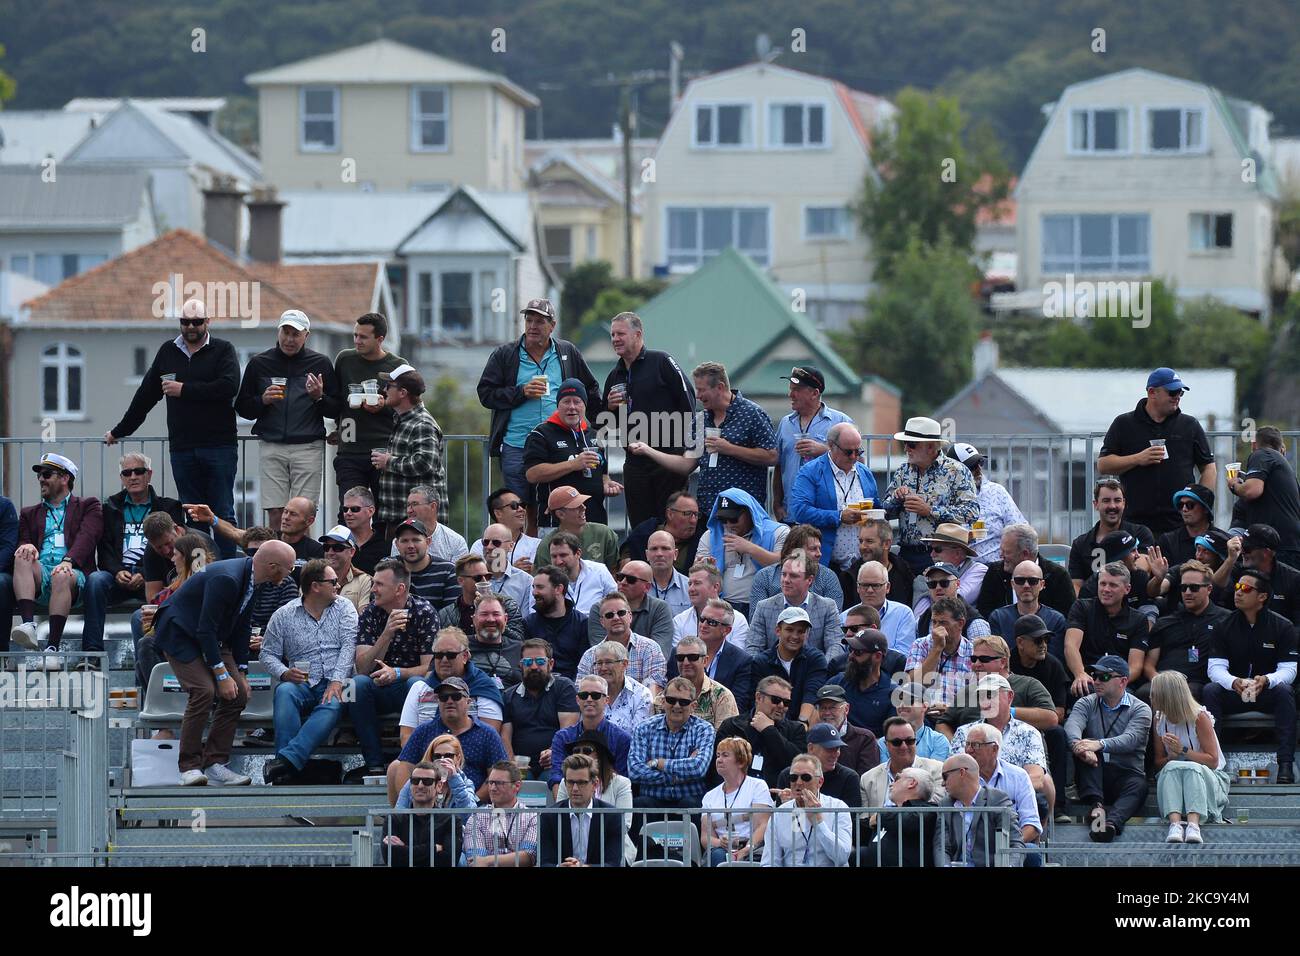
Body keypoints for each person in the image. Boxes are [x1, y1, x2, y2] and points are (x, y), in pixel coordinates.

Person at [105, 297, 242, 558]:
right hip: (183, 448)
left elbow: (229, 386)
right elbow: (146, 395)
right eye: (185, 321)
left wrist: (185, 390)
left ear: (207, 322)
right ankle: (200, 573)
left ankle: (228, 570)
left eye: (197, 321)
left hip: (219, 445)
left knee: (222, 512)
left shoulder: (223, 349)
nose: (191, 326)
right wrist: (120, 430)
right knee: (192, 516)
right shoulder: (168, 351)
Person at [152, 540, 296, 785]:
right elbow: (205, 630)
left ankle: (215, 763)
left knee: (238, 694)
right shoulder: (227, 578)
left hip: (212, 636)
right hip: (179, 632)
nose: (290, 574)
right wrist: (221, 676)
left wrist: (241, 672)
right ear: (273, 567)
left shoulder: (253, 579)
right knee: (204, 691)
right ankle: (189, 766)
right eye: (289, 569)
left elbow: (241, 627)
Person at [477, 298, 601, 530]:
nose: (533, 326)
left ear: (552, 326)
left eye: (539, 322)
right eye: (529, 320)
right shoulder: (506, 354)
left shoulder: (567, 352)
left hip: (557, 444)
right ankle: (519, 559)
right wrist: (520, 392)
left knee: (556, 503)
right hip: (517, 443)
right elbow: (485, 394)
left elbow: (590, 389)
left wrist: (590, 428)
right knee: (517, 508)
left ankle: (549, 556)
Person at [234, 310, 342, 530]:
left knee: (301, 514)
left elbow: (336, 408)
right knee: (276, 512)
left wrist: (319, 397)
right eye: (286, 332)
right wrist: (262, 400)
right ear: (279, 331)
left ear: (306, 336)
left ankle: (301, 564)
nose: (290, 339)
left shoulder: (320, 363)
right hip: (272, 445)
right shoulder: (259, 363)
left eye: (296, 334)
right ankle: (274, 561)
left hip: (308, 446)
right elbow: (243, 408)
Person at [261, 559, 358, 784]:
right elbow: (266, 654)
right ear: (315, 586)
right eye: (333, 581)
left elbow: (349, 646)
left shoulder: (344, 607)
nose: (338, 585)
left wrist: (337, 680)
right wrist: (284, 673)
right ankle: (287, 768)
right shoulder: (283, 615)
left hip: (340, 680)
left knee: (333, 702)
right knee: (284, 692)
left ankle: (285, 764)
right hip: (302, 682)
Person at [82, 452, 185, 659]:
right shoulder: (110, 507)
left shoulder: (169, 507)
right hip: (118, 576)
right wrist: (117, 571)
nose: (133, 476)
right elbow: (104, 550)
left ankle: (158, 658)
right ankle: (92, 654)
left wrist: (145, 573)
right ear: (122, 478)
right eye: (127, 473)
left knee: (155, 605)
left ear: (149, 475)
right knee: (94, 581)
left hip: (154, 577)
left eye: (139, 471)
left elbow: (173, 550)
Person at [603, 311, 697, 525]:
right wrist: (608, 407)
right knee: (640, 526)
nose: (615, 339)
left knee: (672, 524)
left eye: (621, 334)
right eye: (612, 335)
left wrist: (689, 452)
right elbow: (601, 424)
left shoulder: (661, 361)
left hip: (668, 459)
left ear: (638, 334)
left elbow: (689, 402)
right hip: (635, 463)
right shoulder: (614, 375)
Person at [1204, 568, 1298, 783]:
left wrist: (1267, 680)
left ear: (1262, 597)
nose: (1238, 592)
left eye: (1245, 588)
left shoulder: (1283, 626)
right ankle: (1215, 762)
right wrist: (1233, 682)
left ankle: (1285, 764)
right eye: (1237, 586)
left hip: (1266, 692)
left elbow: (1289, 669)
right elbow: (1215, 668)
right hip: (1235, 693)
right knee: (1210, 690)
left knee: (1285, 690)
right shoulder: (1223, 625)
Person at [9, 453, 102, 668]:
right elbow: (23, 538)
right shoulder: (29, 513)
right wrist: (27, 545)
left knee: (61, 574)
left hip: (73, 576)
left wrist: (69, 560)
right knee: (22, 555)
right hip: (40, 575)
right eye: (39, 475)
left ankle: (52, 648)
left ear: (64, 478)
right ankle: (29, 626)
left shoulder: (88, 505)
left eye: (47, 474)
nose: (41, 479)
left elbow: (87, 537)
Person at [347, 558, 437, 780]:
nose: (373, 589)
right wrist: (386, 634)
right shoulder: (371, 613)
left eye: (379, 584)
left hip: (408, 689)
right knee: (356, 685)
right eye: (373, 583)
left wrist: (397, 672)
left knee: (418, 684)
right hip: (377, 687)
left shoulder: (424, 612)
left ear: (400, 589)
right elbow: (362, 668)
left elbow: (430, 668)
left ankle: (416, 761)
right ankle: (374, 764)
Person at [1098, 367, 1216, 535]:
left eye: (1180, 393)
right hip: (1135, 522)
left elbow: (1209, 467)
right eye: (1172, 392)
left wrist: (1200, 503)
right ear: (1152, 392)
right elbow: (1103, 465)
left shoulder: (1189, 425)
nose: (1177, 398)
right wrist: (1138, 458)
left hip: (1179, 522)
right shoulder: (1124, 424)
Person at [1065, 654, 1153, 840]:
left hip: (1125, 773)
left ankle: (1110, 823)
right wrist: (1079, 747)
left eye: (1104, 677)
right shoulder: (1086, 702)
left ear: (1123, 681)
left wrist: (1099, 744)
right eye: (1094, 675)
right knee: (1088, 757)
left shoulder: (1141, 708)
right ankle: (1097, 808)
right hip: (1094, 774)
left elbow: (1132, 739)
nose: (1096, 681)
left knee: (1139, 785)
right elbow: (1072, 726)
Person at [331, 312, 407, 519]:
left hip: (383, 450)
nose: (357, 341)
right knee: (348, 511)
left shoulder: (398, 366)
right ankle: (345, 550)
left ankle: (381, 552)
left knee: (386, 513)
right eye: (355, 335)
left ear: (380, 339)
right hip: (350, 448)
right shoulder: (345, 359)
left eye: (363, 337)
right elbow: (337, 400)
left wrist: (384, 405)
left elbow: (409, 407)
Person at [881, 417, 979, 575]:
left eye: (911, 444)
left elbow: (971, 512)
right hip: (906, 553)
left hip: (940, 554)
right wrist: (896, 499)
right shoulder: (903, 471)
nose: (906, 449)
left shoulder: (956, 471)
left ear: (931, 447)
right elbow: (884, 512)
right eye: (905, 444)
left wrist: (930, 510)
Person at [951, 676, 1049, 834]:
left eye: (990, 695)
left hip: (1014, 805)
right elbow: (953, 777)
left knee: (1038, 802)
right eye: (981, 696)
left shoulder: (1029, 733)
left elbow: (1036, 779)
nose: (985, 701)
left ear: (1010, 696)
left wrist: (1000, 796)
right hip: (971, 805)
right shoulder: (964, 733)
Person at [392, 675, 510, 801]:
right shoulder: (423, 731)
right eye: (443, 697)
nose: (449, 701)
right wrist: (412, 804)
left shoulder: (487, 733)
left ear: (468, 702)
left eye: (456, 696)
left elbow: (499, 774)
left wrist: (473, 803)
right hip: (428, 806)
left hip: (473, 807)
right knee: (394, 767)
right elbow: (405, 768)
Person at [789, 422, 880, 584]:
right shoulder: (811, 471)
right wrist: (838, 516)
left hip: (862, 563)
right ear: (830, 446)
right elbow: (800, 510)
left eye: (858, 451)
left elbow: (877, 507)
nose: (854, 457)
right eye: (848, 452)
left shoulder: (864, 472)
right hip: (827, 563)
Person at [134, 532, 215, 712]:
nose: (172, 559)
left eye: (176, 554)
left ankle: (164, 710)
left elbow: (198, 588)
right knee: (143, 654)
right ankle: (162, 714)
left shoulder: (207, 579)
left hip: (200, 643)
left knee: (146, 644)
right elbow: (159, 603)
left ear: (186, 557)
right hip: (177, 642)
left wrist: (161, 616)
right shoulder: (173, 585)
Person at [524, 380, 619, 528]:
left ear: (584, 406)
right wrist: (573, 465)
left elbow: (603, 473)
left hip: (595, 523)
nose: (572, 407)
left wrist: (607, 484)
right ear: (558, 405)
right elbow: (532, 474)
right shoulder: (541, 434)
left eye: (577, 402)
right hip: (556, 525)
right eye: (566, 402)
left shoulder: (593, 435)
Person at [1151, 671, 1230, 845]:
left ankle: (1193, 825)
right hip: (1175, 777)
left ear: (1168, 696)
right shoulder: (1158, 719)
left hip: (1209, 777)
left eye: (1155, 693)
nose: (1151, 696)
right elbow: (1158, 764)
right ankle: (1175, 824)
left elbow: (1213, 761)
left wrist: (1183, 750)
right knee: (1171, 767)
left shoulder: (1200, 717)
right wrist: (1171, 757)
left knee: (1192, 767)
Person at [690, 360, 778, 516]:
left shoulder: (752, 414)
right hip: (707, 510)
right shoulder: (700, 419)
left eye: (701, 390)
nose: (698, 396)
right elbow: (687, 462)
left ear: (720, 387)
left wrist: (729, 449)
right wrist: (649, 451)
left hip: (742, 512)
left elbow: (772, 456)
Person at [628, 676, 716, 827]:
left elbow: (698, 768)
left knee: (691, 805)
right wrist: (677, 776)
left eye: (683, 702)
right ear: (663, 701)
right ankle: (642, 851)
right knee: (639, 804)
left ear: (693, 706)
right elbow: (635, 770)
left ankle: (691, 851)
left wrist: (658, 763)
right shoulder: (644, 728)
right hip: (652, 799)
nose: (676, 706)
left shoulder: (704, 729)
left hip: (689, 798)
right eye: (671, 700)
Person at [1138, 559, 1229, 703]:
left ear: (1209, 589)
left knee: (1191, 694)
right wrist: (1160, 681)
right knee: (1144, 693)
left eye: (1194, 588)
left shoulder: (1225, 620)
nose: (1187, 592)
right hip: (1163, 681)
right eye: (1183, 588)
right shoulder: (1165, 622)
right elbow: (1149, 665)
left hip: (1199, 683)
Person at [772, 365, 852, 522]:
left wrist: (824, 450)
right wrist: (777, 504)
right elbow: (779, 465)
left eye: (797, 390)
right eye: (790, 389)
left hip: (827, 516)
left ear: (815, 393)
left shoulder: (840, 421)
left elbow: (857, 462)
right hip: (791, 515)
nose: (790, 394)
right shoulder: (785, 423)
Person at [373, 366, 445, 538]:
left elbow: (424, 463)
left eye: (389, 386)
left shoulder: (422, 423)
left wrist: (388, 462)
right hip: (402, 516)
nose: (384, 390)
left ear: (403, 392)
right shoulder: (404, 419)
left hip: (418, 521)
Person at [397, 626, 506, 740]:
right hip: (425, 755)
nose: (444, 660)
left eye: (451, 655)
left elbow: (489, 739)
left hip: (472, 755)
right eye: (439, 655)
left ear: (465, 656)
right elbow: (406, 736)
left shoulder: (484, 688)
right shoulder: (419, 689)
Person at [695, 490, 789, 618]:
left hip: (764, 607)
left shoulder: (778, 532)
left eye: (733, 519)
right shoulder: (711, 536)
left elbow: (785, 564)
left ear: (750, 512)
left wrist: (750, 548)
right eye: (723, 519)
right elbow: (697, 572)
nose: (728, 524)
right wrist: (704, 567)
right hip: (721, 607)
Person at [1065, 562, 1151, 698]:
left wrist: (1112, 681)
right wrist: (1080, 673)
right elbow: (1071, 646)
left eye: (1113, 585)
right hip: (1087, 679)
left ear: (1127, 589)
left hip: (1120, 683)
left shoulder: (1138, 619)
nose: (1106, 589)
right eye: (1102, 584)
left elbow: (1135, 666)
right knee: (1083, 690)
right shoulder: (1081, 607)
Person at [746, 553, 844, 671]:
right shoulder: (764, 607)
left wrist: (820, 670)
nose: (786, 580)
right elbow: (753, 648)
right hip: (773, 676)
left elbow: (835, 645)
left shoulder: (827, 606)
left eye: (793, 576)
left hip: (815, 674)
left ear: (809, 580)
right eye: (783, 574)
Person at [553, 729, 636, 865]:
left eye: (587, 750)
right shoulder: (564, 782)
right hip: (570, 852)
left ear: (600, 755)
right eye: (576, 751)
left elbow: (624, 824)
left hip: (611, 849)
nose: (580, 754)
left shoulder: (621, 783)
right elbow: (561, 817)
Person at [500, 638, 579, 779]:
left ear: (551, 664)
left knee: (552, 777)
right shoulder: (509, 695)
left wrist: (554, 751)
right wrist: (511, 762)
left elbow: (568, 729)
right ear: (520, 666)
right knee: (513, 779)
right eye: (528, 662)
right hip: (521, 764)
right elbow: (505, 736)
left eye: (540, 661)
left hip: (556, 760)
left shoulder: (564, 687)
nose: (534, 666)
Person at [713, 677, 808, 788]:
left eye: (786, 702)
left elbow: (797, 764)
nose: (781, 705)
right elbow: (718, 767)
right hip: (737, 794)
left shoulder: (796, 730)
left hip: (777, 795)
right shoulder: (732, 726)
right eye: (776, 700)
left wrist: (769, 730)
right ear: (758, 697)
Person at [761, 753, 853, 867]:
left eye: (806, 777)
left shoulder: (838, 808)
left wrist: (819, 822)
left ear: (820, 782)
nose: (798, 782)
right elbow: (769, 862)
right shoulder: (780, 813)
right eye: (793, 777)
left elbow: (842, 857)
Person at [183, 496, 326, 567]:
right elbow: (234, 532)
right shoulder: (268, 540)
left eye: (293, 514)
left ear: (309, 521)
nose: (285, 518)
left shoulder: (316, 551)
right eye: (285, 512)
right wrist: (212, 519)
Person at [1067, 477, 1155, 592]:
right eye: (1106, 500)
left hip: (1135, 603)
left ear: (1124, 503)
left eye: (1117, 500)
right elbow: (1076, 586)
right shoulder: (1080, 544)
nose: (1112, 506)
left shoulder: (1140, 533)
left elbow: (1141, 570)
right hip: (1094, 604)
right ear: (1096, 504)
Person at [935, 753, 1024, 866]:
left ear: (962, 772)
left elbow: (1015, 844)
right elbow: (941, 847)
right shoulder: (945, 805)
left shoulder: (997, 800)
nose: (942, 783)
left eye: (945, 777)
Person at [547, 675, 633, 792]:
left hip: (608, 802)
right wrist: (564, 808)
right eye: (584, 695)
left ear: (606, 700)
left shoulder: (622, 739)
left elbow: (623, 781)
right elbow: (557, 777)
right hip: (570, 799)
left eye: (595, 695)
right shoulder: (562, 737)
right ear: (577, 700)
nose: (589, 699)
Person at [537, 753, 625, 867]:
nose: (574, 788)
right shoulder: (549, 816)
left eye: (581, 783)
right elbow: (544, 862)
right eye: (570, 782)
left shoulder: (612, 816)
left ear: (595, 784)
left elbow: (613, 863)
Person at [976, 523, 1076, 620]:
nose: (1001, 556)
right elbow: (984, 612)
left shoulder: (1057, 576)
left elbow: (1067, 618)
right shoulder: (995, 572)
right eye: (1019, 581)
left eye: (1006, 552)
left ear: (1025, 554)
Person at [1229, 426, 1300, 564]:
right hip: (1291, 544)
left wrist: (1234, 485)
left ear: (1254, 444)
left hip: (1278, 546)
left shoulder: (1262, 453)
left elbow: (1252, 491)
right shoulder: (1286, 472)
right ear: (1282, 447)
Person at [701, 736, 775, 866]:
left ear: (741, 762)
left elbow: (763, 825)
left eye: (725, 755)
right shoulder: (709, 796)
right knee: (717, 855)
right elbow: (705, 837)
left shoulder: (758, 786)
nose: (719, 760)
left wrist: (747, 849)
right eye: (718, 755)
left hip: (753, 847)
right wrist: (720, 843)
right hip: (722, 850)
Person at [749, 606, 829, 725]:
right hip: (769, 722)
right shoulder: (761, 662)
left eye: (801, 631)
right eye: (790, 630)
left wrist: (802, 723)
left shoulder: (815, 659)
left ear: (807, 634)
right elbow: (758, 701)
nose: (795, 636)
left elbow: (812, 692)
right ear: (778, 631)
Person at [667, 596, 753, 706]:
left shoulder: (741, 661)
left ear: (726, 630)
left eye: (711, 622)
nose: (703, 625)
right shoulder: (679, 653)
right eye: (702, 619)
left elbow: (738, 705)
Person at [949, 442, 1026, 564]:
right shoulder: (944, 498)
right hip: (959, 570)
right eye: (972, 466)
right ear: (954, 473)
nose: (978, 469)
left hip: (997, 567)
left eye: (980, 463)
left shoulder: (996, 492)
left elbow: (1021, 531)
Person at [382, 760, 465, 869]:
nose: (420, 785)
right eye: (415, 781)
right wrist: (434, 848)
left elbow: (448, 860)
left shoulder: (451, 820)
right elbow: (391, 858)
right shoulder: (394, 819)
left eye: (427, 781)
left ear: (439, 786)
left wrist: (405, 849)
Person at [577, 592, 666, 694]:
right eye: (609, 615)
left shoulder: (650, 648)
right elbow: (581, 692)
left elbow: (653, 689)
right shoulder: (589, 656)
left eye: (621, 613)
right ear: (602, 622)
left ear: (630, 616)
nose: (616, 618)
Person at [1213, 524, 1300, 627]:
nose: (1243, 552)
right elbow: (1215, 588)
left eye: (1247, 548)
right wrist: (1231, 559)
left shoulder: (1293, 579)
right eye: (1241, 546)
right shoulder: (1236, 568)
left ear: (1266, 553)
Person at [584, 559, 673, 654]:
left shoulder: (660, 609)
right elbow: (601, 652)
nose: (623, 582)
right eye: (620, 577)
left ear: (647, 587)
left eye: (631, 580)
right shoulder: (599, 609)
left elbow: (659, 653)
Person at [438, 555, 524, 651]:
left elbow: (518, 640)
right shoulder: (446, 614)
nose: (484, 581)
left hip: (501, 657)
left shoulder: (507, 604)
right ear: (461, 581)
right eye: (478, 578)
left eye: (487, 576)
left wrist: (499, 622)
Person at [863, 713, 947, 810]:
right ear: (886, 745)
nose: (904, 746)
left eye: (909, 741)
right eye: (897, 742)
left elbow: (932, 810)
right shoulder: (867, 779)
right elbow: (864, 820)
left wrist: (883, 818)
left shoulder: (937, 770)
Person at [988, 560, 1069, 661]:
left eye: (1033, 581)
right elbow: (996, 659)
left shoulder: (1056, 620)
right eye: (1020, 580)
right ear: (1012, 584)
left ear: (1042, 584)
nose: (1026, 585)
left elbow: (1056, 661)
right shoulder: (998, 617)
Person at [463, 761, 539, 867]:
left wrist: (488, 861)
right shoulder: (477, 817)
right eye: (490, 783)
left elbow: (528, 856)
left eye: (499, 783)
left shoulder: (532, 816)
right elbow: (477, 860)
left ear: (517, 786)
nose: (492, 788)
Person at [749, 526, 845, 610]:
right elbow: (757, 619)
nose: (819, 554)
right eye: (813, 549)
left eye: (819, 548)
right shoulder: (764, 577)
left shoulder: (828, 577)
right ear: (794, 551)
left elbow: (834, 617)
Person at [905, 596, 976, 708]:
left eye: (943, 623)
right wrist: (937, 649)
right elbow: (913, 685)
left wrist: (950, 711)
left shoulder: (973, 652)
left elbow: (975, 698)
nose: (936, 628)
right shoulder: (920, 645)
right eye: (934, 622)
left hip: (958, 717)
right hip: (924, 715)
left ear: (960, 623)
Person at [860, 767, 939, 868]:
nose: (891, 783)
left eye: (897, 778)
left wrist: (881, 817)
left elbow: (909, 821)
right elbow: (860, 829)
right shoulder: (888, 814)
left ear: (912, 783)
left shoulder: (929, 810)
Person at [774, 723, 864, 808]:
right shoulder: (789, 775)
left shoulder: (848, 777)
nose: (835, 754)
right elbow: (777, 820)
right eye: (829, 749)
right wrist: (789, 805)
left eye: (837, 749)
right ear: (811, 748)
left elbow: (851, 819)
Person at [524, 566, 589, 679]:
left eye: (540, 587)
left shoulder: (581, 623)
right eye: (533, 587)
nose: (534, 592)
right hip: (538, 682)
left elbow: (585, 665)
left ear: (558, 589)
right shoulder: (529, 623)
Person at [829, 628, 896, 736]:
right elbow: (816, 716)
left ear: (877, 656)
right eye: (850, 650)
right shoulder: (838, 681)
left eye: (858, 652)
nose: (851, 656)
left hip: (871, 750)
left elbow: (890, 739)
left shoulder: (892, 694)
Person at [664, 635, 738, 730]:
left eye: (692, 657)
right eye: (680, 657)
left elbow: (725, 738)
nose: (686, 662)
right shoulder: (665, 697)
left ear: (705, 661)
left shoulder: (722, 696)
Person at [913, 524, 987, 619]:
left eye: (938, 549)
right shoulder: (923, 578)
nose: (932, 554)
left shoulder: (978, 570)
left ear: (957, 553)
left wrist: (930, 584)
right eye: (931, 549)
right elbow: (919, 617)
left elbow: (955, 597)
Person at [672, 564, 750, 650]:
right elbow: (678, 658)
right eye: (690, 584)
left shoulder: (738, 620)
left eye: (697, 583)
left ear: (715, 587)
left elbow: (736, 659)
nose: (691, 589)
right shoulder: (679, 621)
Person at [1078, 531, 1155, 618]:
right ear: (1119, 560)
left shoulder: (1140, 576)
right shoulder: (1090, 589)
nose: (1138, 555)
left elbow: (1148, 608)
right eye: (1133, 551)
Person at [619, 491, 702, 571]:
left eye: (696, 515)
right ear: (670, 514)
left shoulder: (701, 542)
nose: (693, 520)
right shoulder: (642, 535)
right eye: (687, 514)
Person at [1009, 615, 1070, 724]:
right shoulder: (1005, 664)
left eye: (1046, 639)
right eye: (1038, 640)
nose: (1043, 645)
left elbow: (1059, 713)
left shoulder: (1054, 666)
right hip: (1008, 723)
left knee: (1058, 733)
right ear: (1020, 642)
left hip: (1042, 724)